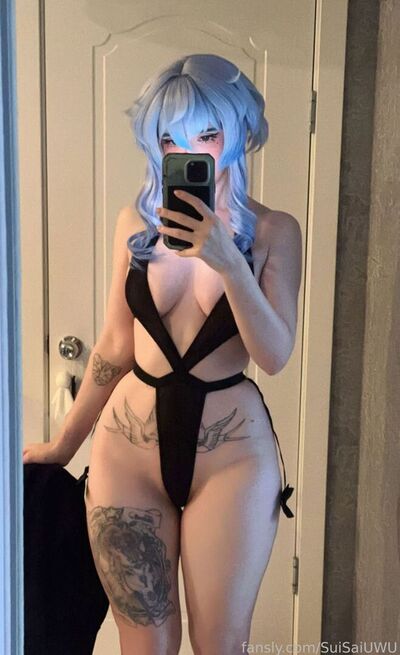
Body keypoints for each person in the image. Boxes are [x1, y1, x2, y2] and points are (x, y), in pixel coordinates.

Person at [23, 53, 302, 655]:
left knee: (220, 644)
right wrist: (63, 445)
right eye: (172, 138)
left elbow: (274, 354)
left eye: (208, 133)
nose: (190, 150)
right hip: (126, 454)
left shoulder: (274, 231)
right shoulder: (136, 225)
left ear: (241, 129)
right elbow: (116, 343)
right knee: (144, 645)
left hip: (232, 460)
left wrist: (230, 264)